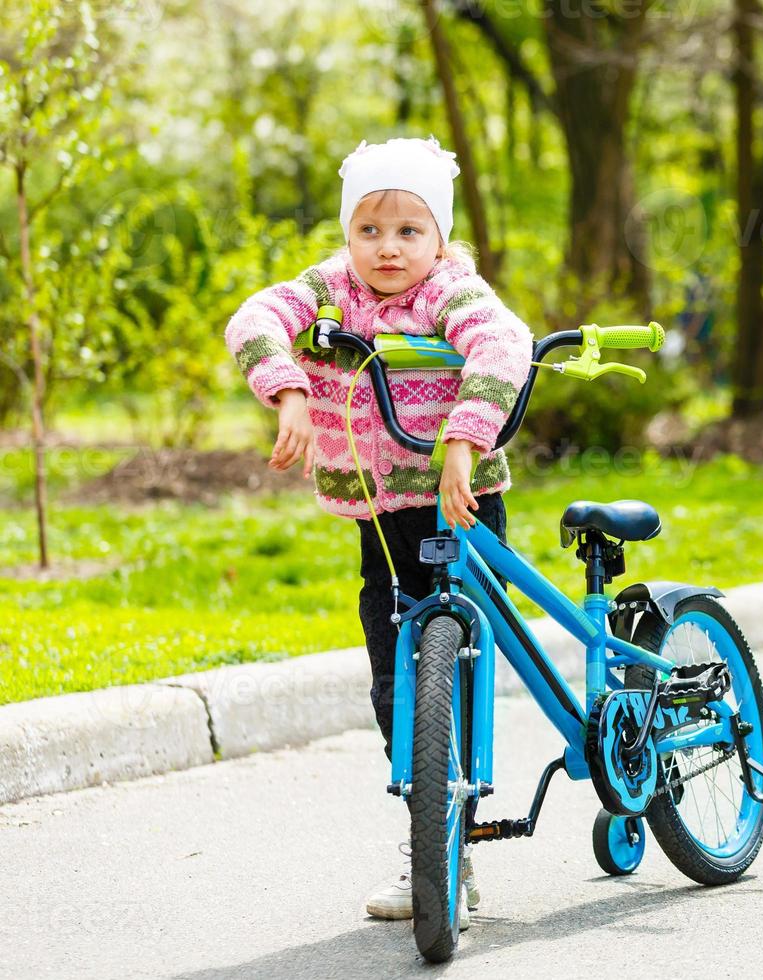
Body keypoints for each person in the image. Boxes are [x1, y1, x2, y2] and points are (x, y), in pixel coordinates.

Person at [223, 136, 533, 923]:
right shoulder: (332, 290)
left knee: (457, 659)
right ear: (347, 234)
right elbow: (256, 317)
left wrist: (464, 437)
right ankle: (428, 835)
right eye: (369, 230)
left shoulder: (452, 293)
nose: (387, 248)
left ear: (440, 238)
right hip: (378, 512)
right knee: (394, 670)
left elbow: (504, 345)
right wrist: (288, 387)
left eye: (408, 230)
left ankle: (452, 847)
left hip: (458, 497)